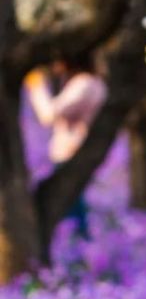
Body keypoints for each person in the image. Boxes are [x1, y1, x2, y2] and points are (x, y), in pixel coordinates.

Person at [24, 55, 107, 240]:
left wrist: (36, 86)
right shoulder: (93, 82)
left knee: (70, 207)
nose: (55, 64)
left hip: (70, 152)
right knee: (73, 206)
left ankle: (78, 248)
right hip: (77, 151)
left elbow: (49, 115)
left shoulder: (83, 84)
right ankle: (80, 247)